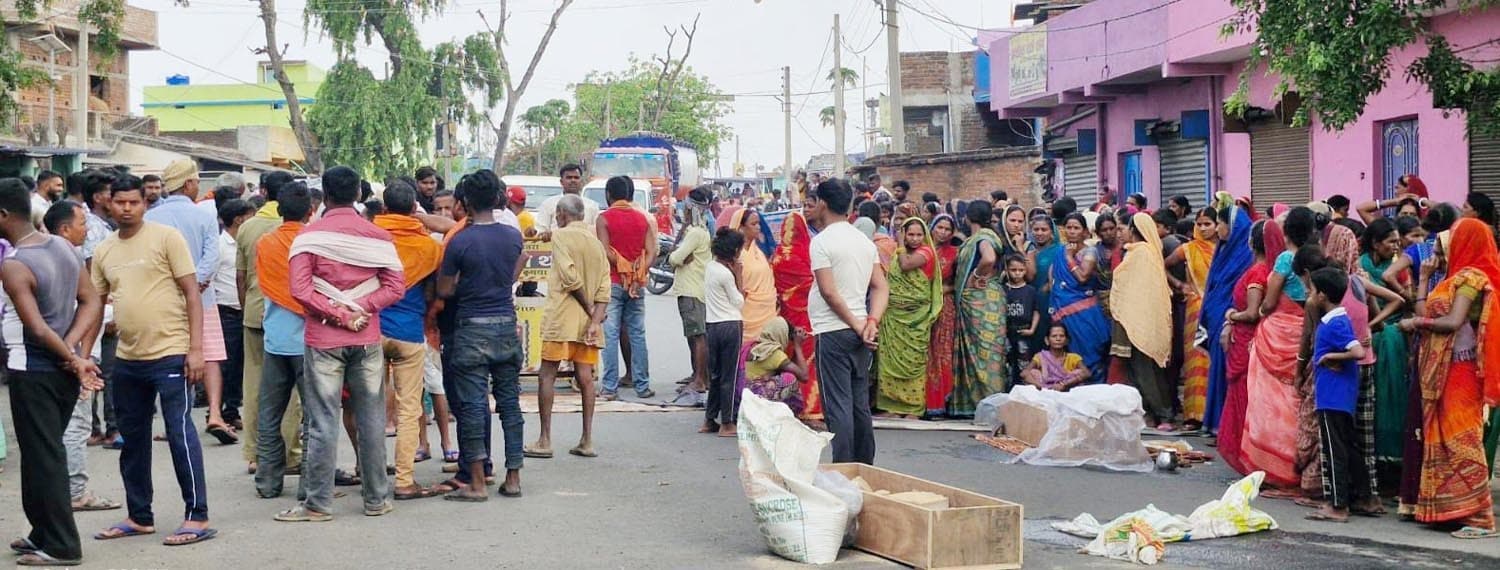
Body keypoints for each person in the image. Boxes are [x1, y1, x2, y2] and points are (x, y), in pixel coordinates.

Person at [90, 176, 218, 546]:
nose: (127, 208)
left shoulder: (166, 238)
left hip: (171, 353)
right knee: (132, 440)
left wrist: (196, 350)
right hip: (128, 358)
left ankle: (197, 516)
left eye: (134, 202)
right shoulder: (105, 250)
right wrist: (85, 354)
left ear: (145, 204)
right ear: (108, 204)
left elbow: (192, 293)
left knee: (179, 433)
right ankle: (139, 515)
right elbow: (96, 305)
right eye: (120, 202)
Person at [276, 166, 405, 522]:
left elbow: (300, 290)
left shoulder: (308, 237)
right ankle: (376, 498)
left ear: (326, 196)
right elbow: (395, 287)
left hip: (323, 339)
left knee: (321, 421)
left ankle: (317, 504)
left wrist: (338, 313)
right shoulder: (378, 237)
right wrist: (358, 309)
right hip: (366, 337)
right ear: (358, 195)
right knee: (372, 419)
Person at [2, 179, 105, 565]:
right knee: (38, 452)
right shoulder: (61, 246)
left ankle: (62, 545)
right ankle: (41, 531)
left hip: (34, 368)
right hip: (59, 367)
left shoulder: (14, 265)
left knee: (45, 455)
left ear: (4, 215)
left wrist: (72, 355)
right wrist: (74, 350)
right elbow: (91, 299)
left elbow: (39, 329)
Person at [1397, 218, 1500, 538]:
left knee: (1462, 440)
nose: (1445, 246)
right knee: (1440, 441)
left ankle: (1481, 517)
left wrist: (1417, 324)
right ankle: (1450, 510)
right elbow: (1428, 309)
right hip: (1443, 370)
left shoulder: (1473, 278)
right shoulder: (1453, 278)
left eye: (1453, 239)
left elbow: (1452, 321)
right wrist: (1425, 279)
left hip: (1462, 371)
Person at [434, 170, 525, 501]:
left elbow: (445, 288)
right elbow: (514, 270)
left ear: (466, 202)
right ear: (500, 199)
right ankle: (513, 476)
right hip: (505, 324)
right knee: (510, 404)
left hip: (471, 327)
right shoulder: (512, 237)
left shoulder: (460, 241)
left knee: (472, 406)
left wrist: (464, 282)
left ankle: (475, 482)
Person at [144, 160, 237, 445]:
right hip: (203, 298)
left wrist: (177, 284)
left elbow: (152, 258)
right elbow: (213, 254)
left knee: (167, 355)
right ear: (188, 184)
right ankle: (215, 415)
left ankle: (173, 418)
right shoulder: (204, 215)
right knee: (209, 357)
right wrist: (195, 283)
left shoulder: (151, 218)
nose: (199, 187)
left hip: (164, 299)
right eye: (196, 181)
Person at [368, 180, 446, 501]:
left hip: (371, 328)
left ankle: (370, 477)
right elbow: (434, 289)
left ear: (384, 208)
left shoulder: (370, 237)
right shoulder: (428, 246)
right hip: (409, 331)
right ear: (415, 207)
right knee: (410, 407)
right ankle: (404, 480)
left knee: (368, 408)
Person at [806, 178, 887, 464]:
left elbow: (829, 292)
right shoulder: (863, 241)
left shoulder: (821, 241)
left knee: (838, 406)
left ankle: (844, 469)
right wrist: (871, 321)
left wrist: (857, 323)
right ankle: (865, 465)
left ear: (823, 204)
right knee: (858, 404)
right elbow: (880, 285)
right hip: (861, 330)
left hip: (833, 330)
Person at [528, 195, 610, 460]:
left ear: (561, 214)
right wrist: (595, 319)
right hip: (588, 324)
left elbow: (569, 277)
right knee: (585, 377)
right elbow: (604, 287)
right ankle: (587, 439)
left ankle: (545, 439)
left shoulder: (562, 237)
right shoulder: (595, 243)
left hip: (562, 317)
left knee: (547, 374)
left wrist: (588, 309)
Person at [1244, 207, 1318, 493]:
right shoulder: (1316, 256)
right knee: (1297, 400)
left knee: (1272, 403)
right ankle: (1300, 465)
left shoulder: (1286, 259)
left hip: (1277, 333)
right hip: (1305, 331)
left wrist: (1259, 311)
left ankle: (1276, 469)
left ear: (1286, 232)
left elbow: (1270, 301)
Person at [235, 171, 302, 476]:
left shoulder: (248, 228)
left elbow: (240, 275)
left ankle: (255, 455)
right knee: (290, 394)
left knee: (255, 387)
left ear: (263, 191)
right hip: (291, 317)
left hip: (253, 312)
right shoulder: (299, 231)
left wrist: (246, 305)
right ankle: (288, 454)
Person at [250, 182, 314, 499]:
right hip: (309, 340)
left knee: (269, 416)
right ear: (311, 211)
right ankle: (309, 486)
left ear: (278, 209)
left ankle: (267, 482)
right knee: (313, 418)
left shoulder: (266, 243)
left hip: (275, 338)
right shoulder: (313, 243)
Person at [1303, 267, 1370, 523]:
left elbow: (1357, 352)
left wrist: (1331, 356)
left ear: (1322, 295)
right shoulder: (1334, 319)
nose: (1309, 295)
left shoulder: (1336, 323)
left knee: (1335, 451)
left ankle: (1338, 505)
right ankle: (1364, 497)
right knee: (1347, 449)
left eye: (1311, 290)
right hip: (1337, 396)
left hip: (1333, 397)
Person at [1357, 218, 1410, 484]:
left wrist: (1374, 324)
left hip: (1391, 337)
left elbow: (1404, 303)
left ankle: (1392, 458)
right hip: (1365, 339)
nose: (1395, 246)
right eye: (1390, 242)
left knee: (1391, 396)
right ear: (1376, 244)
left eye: (1398, 241)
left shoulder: (1398, 269)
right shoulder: (1360, 266)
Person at [596, 175, 658, 400]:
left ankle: (610, 388)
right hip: (637, 283)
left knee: (610, 334)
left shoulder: (604, 219)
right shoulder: (643, 219)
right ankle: (642, 386)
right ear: (631, 195)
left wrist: (622, 267)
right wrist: (636, 271)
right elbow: (652, 253)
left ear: (609, 195)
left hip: (613, 282)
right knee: (637, 333)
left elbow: (605, 251)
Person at [1110, 212, 1174, 429]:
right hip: (1136, 318)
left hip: (1140, 319)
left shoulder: (1142, 254)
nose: (1121, 233)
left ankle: (1163, 414)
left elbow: (1132, 286)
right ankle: (1149, 412)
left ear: (1134, 231)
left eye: (1124, 228)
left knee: (1145, 370)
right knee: (1137, 369)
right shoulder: (1143, 253)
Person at [1218, 218, 1270, 474]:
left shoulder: (1258, 273)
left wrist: (1231, 316)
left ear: (1251, 243)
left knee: (1244, 396)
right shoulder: (1263, 270)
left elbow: (1252, 313)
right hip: (1245, 339)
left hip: (1247, 339)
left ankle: (1247, 457)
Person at [875, 217, 942, 419]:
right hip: (894, 316)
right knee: (890, 361)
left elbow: (905, 265)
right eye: (910, 234)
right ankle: (892, 406)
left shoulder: (925, 252)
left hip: (916, 319)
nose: (914, 238)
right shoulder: (898, 253)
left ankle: (913, 409)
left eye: (919, 234)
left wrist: (901, 244)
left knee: (912, 362)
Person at [1202, 196, 1255, 439]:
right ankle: (1214, 422)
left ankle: (1227, 424)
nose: (1217, 229)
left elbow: (1240, 291)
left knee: (1228, 371)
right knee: (1217, 369)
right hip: (1216, 315)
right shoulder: (1222, 250)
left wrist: (1229, 319)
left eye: (1220, 224)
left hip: (1231, 319)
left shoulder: (1245, 254)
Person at [950, 201, 1008, 418]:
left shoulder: (983, 238)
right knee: (988, 354)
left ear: (967, 217)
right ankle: (985, 405)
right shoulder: (987, 236)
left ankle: (987, 405)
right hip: (989, 300)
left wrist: (975, 276)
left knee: (984, 355)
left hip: (980, 300)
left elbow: (989, 258)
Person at [1166, 207, 1220, 430]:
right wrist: (1179, 285)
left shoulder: (1226, 249)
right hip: (1195, 309)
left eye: (1208, 224)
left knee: (1213, 361)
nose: (1203, 228)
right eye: (1200, 224)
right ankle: (1193, 415)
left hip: (1217, 309)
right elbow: (1162, 265)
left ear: (1218, 225)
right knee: (1196, 361)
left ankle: (1213, 414)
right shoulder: (1188, 248)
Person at [770, 208, 824, 427]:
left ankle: (785, 407)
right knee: (808, 364)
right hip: (805, 319)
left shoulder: (776, 256)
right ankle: (810, 410)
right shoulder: (807, 254)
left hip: (783, 318)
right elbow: (816, 285)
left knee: (785, 361)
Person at [1051, 212, 1111, 383]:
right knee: (1069, 352)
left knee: (1090, 351)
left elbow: (1083, 276)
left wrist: (1070, 258)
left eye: (1076, 228)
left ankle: (1096, 389)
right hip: (1063, 309)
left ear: (1084, 231)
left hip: (1085, 312)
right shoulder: (1060, 251)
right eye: (1068, 228)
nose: (1072, 231)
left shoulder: (1089, 251)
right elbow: (1053, 279)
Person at [214, 200, 254, 433]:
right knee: (226, 364)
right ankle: (219, 410)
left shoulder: (243, 243)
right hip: (227, 310)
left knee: (239, 365)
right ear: (239, 219)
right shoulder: (221, 246)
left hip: (243, 310)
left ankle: (231, 409)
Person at [668, 188, 711, 401]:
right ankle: (698, 374)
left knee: (697, 336)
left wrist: (676, 258)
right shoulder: (695, 230)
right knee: (693, 334)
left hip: (691, 289)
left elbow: (674, 258)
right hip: (692, 288)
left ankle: (700, 379)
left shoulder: (696, 233)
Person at [704, 227, 745, 436]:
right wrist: (739, 276)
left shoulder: (710, 267)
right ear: (735, 251)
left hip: (712, 325)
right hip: (730, 325)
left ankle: (710, 419)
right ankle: (727, 423)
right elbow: (739, 301)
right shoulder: (727, 275)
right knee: (729, 375)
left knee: (716, 375)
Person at [924, 214, 962, 418]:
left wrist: (939, 292)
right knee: (923, 352)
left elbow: (958, 282)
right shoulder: (921, 248)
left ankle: (939, 401)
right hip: (920, 306)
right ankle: (918, 402)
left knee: (941, 352)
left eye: (948, 229)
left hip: (943, 306)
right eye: (940, 227)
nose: (944, 232)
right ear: (932, 227)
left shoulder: (955, 253)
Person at [723, 206, 777, 341]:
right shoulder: (735, 255)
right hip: (746, 315)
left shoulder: (757, 251)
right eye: (753, 224)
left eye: (758, 223)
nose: (758, 227)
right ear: (741, 228)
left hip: (767, 311)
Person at [737, 316, 809, 414]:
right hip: (754, 399)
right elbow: (804, 376)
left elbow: (789, 366)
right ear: (782, 336)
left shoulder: (752, 345)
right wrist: (798, 346)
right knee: (789, 378)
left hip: (740, 397)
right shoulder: (773, 353)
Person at [1002, 254, 1040, 389]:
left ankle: (1024, 391)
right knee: (1007, 365)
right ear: (1006, 270)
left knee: (1024, 364)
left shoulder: (1030, 290)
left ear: (1025, 270)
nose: (1017, 273)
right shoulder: (1002, 289)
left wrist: (1032, 329)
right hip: (1006, 333)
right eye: (1013, 270)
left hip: (1024, 332)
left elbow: (1036, 311)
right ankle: (1007, 391)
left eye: (1021, 270)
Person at [535, 164, 600, 237]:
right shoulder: (548, 204)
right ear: (561, 181)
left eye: (576, 177)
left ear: (581, 181)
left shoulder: (592, 205)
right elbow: (540, 230)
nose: (573, 180)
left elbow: (597, 232)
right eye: (569, 177)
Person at [1021, 325, 1089, 391]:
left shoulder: (1074, 357)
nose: (1058, 339)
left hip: (1068, 390)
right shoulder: (1040, 356)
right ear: (1047, 340)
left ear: (1066, 340)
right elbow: (1024, 373)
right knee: (1033, 372)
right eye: (1054, 336)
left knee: (1079, 372)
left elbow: (1086, 373)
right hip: (1045, 391)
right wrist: (1041, 386)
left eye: (1061, 336)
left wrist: (1064, 384)